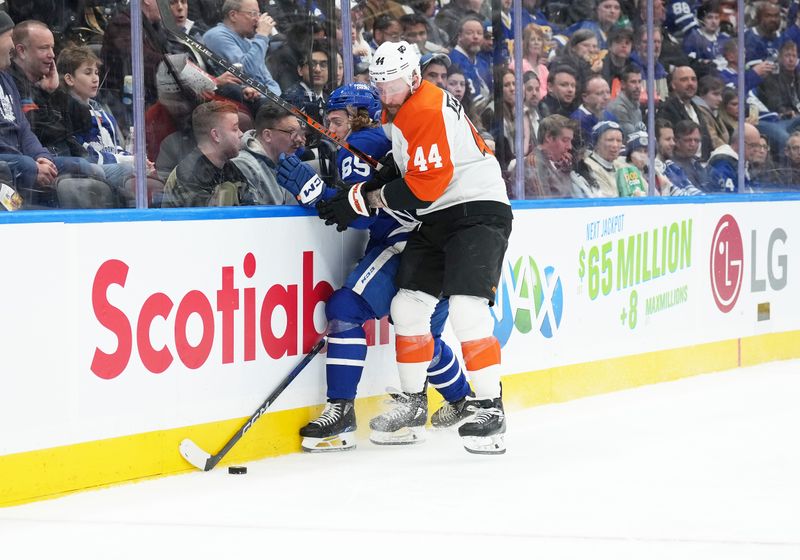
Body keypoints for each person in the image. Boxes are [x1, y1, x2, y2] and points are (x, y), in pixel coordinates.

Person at [316, 41, 512, 455]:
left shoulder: (423, 107)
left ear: (415, 77)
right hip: (439, 216)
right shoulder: (400, 106)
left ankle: (490, 407)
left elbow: (422, 188)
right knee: (408, 308)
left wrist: (360, 197)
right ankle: (413, 402)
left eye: (394, 85)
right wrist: (371, 183)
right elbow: (408, 167)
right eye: (380, 86)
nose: (386, 95)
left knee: (465, 308)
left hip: (477, 210)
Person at [275, 83, 473, 450]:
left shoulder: (363, 143)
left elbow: (364, 213)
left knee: (346, 308)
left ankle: (341, 412)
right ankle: (464, 401)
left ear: (357, 115)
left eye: (335, 120)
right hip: (448, 245)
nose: (331, 130)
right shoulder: (394, 137)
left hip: (405, 244)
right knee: (421, 336)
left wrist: (318, 193)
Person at [161, 100, 248, 207]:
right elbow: (206, 221)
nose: (241, 134)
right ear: (216, 135)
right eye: (235, 129)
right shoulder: (190, 175)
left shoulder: (229, 168)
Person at [202, 0, 280, 96]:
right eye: (253, 14)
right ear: (233, 15)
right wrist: (262, 35)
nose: (258, 19)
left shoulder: (249, 41)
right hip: (245, 102)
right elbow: (246, 74)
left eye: (258, 14)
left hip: (269, 99)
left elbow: (268, 80)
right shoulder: (216, 35)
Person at [231, 105, 304, 205]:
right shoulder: (244, 165)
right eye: (291, 132)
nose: (299, 139)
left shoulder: (288, 163)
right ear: (268, 135)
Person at [656, 66, 713, 161]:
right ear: (673, 85)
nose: (690, 83)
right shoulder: (667, 109)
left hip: (701, 164)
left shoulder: (697, 108)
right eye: (684, 80)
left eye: (693, 79)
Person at [524, 114, 576, 198]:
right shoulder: (535, 163)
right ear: (549, 137)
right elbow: (543, 205)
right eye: (565, 140)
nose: (569, 147)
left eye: (570, 141)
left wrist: (565, 172)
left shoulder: (559, 164)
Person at [571, 120, 623, 198]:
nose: (615, 145)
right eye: (610, 140)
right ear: (596, 143)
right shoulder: (588, 167)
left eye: (619, 141)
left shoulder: (623, 166)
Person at [570, 75, 617, 148]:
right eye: (599, 93)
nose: (606, 97)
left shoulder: (609, 116)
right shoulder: (578, 120)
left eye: (608, 92)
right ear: (585, 97)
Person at [607, 64, 644, 139]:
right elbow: (632, 138)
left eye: (639, 82)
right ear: (623, 84)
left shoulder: (637, 108)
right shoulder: (618, 108)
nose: (637, 86)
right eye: (633, 82)